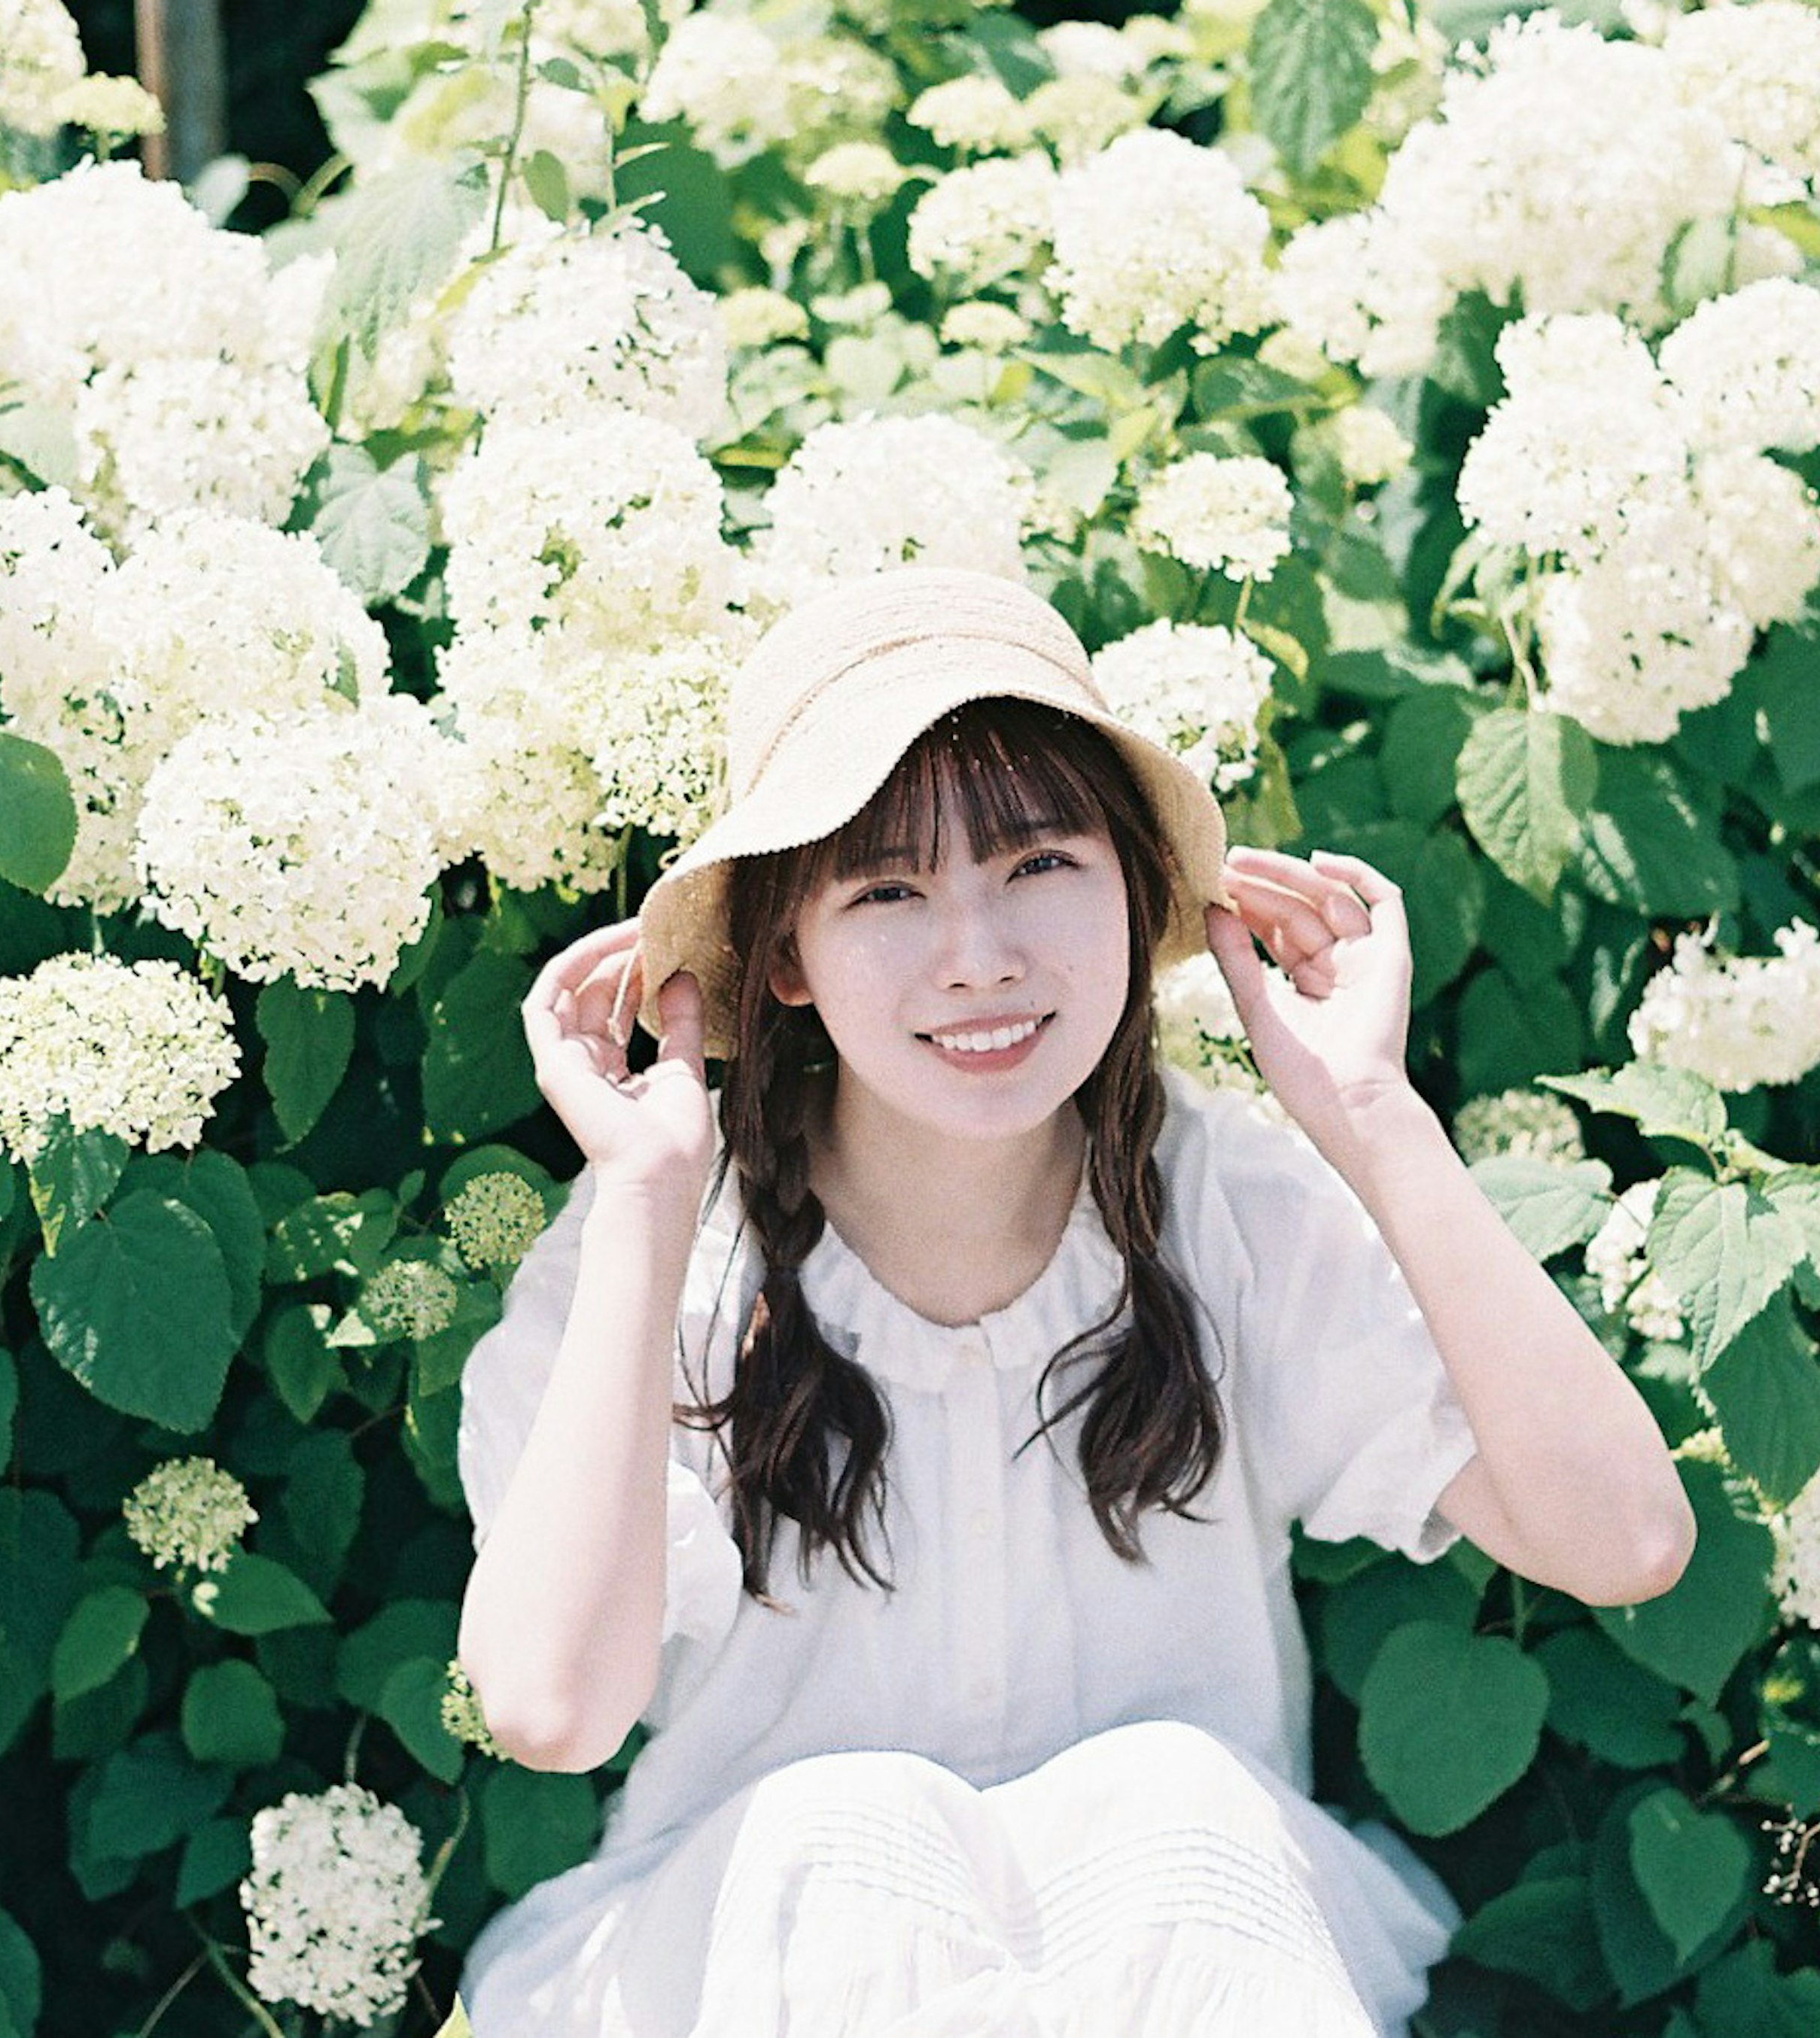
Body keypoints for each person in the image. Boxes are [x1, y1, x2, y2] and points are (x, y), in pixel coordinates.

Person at [449, 566, 1694, 2036]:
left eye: (1039, 865)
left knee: (1174, 1811)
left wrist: (1372, 1112)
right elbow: (545, 1706)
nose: (980, 957)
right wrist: (652, 1202)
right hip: (762, 1963)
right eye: (891, 891)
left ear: (1133, 889)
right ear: (784, 957)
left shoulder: (1230, 1209)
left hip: (1177, 1961)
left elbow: (1624, 1539)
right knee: (850, 1835)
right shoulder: (672, 1249)